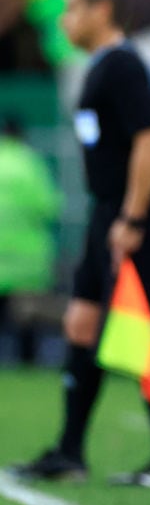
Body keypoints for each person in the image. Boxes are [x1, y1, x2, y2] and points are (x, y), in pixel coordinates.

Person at [11, 0, 150, 487]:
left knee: (139, 336)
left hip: (130, 216)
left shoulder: (123, 67)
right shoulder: (99, 68)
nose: (64, 20)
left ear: (101, 9)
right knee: (81, 326)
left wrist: (131, 218)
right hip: (105, 212)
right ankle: (69, 452)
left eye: (71, 8)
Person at [0, 117, 61, 363]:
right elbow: (50, 206)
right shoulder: (31, 164)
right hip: (26, 261)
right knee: (27, 321)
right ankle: (28, 363)